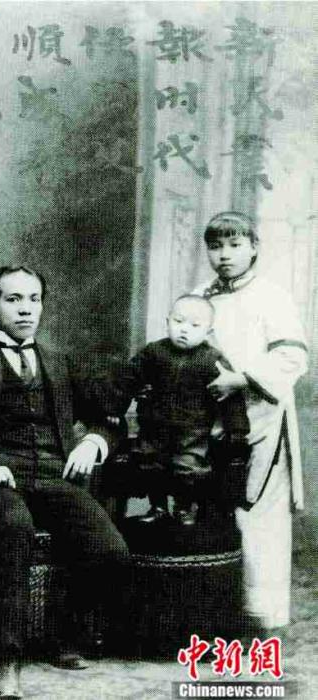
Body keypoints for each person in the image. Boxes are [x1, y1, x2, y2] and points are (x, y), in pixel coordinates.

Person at [0, 265, 128, 700]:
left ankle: (60, 633)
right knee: (14, 528)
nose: (26, 310)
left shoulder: (60, 364)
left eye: (34, 299)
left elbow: (110, 420)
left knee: (110, 550)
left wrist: (92, 443)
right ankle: (6, 659)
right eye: (13, 299)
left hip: (54, 478)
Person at [193, 211, 308, 630]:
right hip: (210, 418)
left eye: (235, 245)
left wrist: (241, 379)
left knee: (257, 512)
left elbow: (292, 356)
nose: (224, 255)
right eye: (216, 246)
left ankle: (259, 612)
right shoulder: (199, 296)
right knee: (211, 506)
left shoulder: (272, 297)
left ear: (254, 247)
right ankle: (216, 609)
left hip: (262, 419)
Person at [113, 294, 250, 526]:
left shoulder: (212, 359)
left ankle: (184, 506)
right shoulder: (154, 352)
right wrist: (115, 407)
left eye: (195, 325)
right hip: (154, 426)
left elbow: (231, 398)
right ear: (167, 322)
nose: (184, 329)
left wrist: (237, 429)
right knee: (150, 464)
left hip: (193, 430)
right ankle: (158, 507)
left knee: (188, 468)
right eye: (178, 321)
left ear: (208, 331)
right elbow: (129, 378)